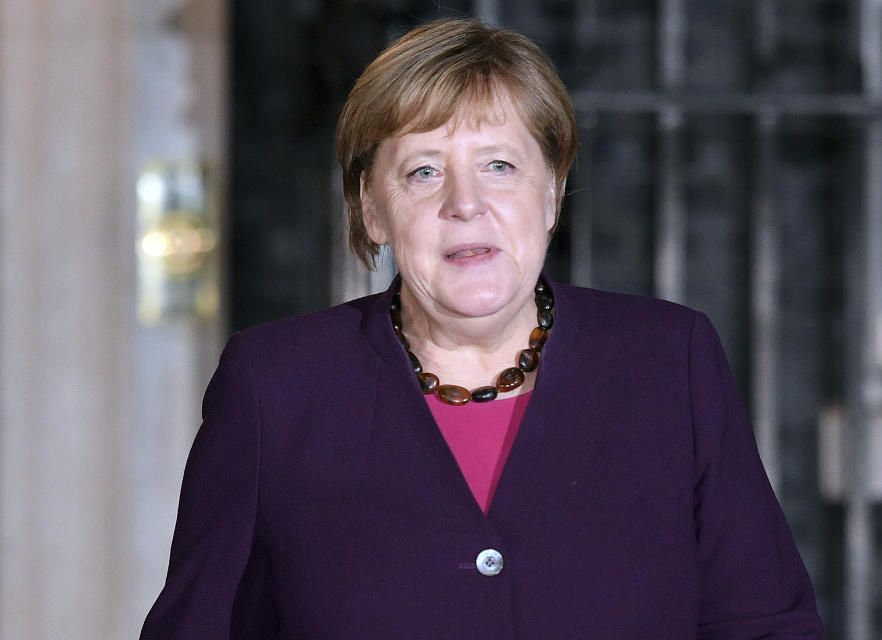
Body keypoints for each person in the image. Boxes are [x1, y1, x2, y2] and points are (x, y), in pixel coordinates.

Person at [140, 18, 823, 639]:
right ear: (372, 212)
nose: (465, 204)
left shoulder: (669, 361)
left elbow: (766, 625)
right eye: (423, 171)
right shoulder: (275, 387)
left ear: (551, 190)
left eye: (499, 165)